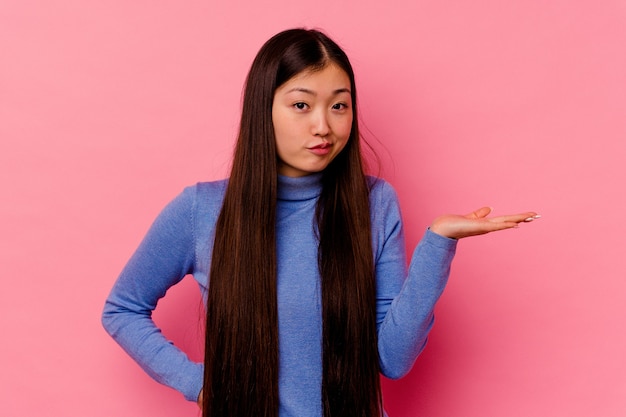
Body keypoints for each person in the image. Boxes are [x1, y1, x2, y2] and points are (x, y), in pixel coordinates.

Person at [102, 28, 539, 417]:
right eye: (301, 105)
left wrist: (439, 243)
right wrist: (197, 384)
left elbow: (393, 359)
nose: (323, 126)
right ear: (264, 110)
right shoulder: (202, 210)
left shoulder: (374, 203)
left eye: (339, 106)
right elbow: (122, 310)